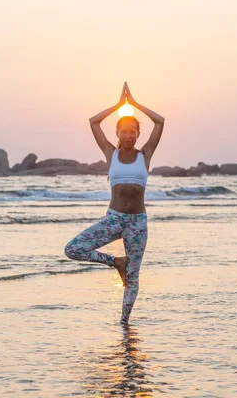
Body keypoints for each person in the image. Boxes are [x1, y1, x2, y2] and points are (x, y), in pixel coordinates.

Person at [64, 82, 165, 324]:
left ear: (138, 134)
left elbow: (160, 121)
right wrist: (120, 106)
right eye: (124, 131)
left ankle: (124, 324)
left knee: (133, 276)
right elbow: (93, 122)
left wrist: (135, 104)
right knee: (73, 249)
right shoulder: (111, 154)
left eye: (133, 131)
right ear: (117, 133)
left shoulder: (145, 155)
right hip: (114, 220)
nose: (128, 135)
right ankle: (115, 262)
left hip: (137, 224)